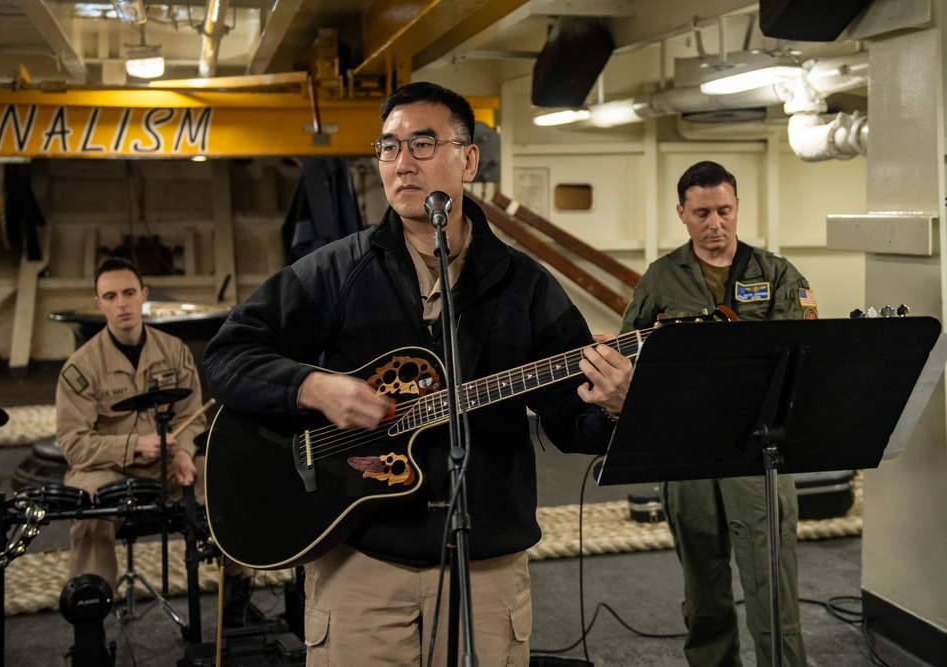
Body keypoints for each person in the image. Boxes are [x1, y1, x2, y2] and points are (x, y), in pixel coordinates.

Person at [202, 81, 633, 665]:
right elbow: (228, 355)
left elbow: (568, 419)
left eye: (423, 144)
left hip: (485, 568)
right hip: (360, 564)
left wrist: (613, 404)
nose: (402, 163)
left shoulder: (525, 287)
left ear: (469, 159)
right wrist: (314, 387)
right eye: (389, 147)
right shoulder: (336, 272)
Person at [620, 160, 813, 667]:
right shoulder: (661, 279)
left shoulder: (777, 275)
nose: (715, 224)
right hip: (686, 453)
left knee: (774, 593)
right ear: (682, 213)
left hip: (757, 452)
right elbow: (626, 359)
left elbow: (807, 357)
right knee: (703, 596)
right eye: (702, 212)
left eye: (724, 211)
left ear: (737, 208)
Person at [55, 256, 259, 628]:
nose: (122, 304)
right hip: (106, 470)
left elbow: (189, 415)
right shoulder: (80, 368)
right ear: (98, 303)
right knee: (89, 514)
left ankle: (237, 597)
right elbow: (74, 444)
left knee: (229, 486)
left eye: (130, 293)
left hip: (167, 466)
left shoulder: (174, 351)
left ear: (144, 296)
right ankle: (91, 614)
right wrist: (134, 445)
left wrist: (183, 451)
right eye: (111, 296)